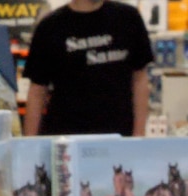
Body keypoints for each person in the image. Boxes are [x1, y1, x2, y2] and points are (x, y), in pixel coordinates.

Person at [22, 0, 154, 137]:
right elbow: (37, 92)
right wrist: (29, 145)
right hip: (66, 140)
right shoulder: (50, 26)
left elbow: (139, 79)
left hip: (118, 138)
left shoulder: (128, 18)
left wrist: (138, 135)